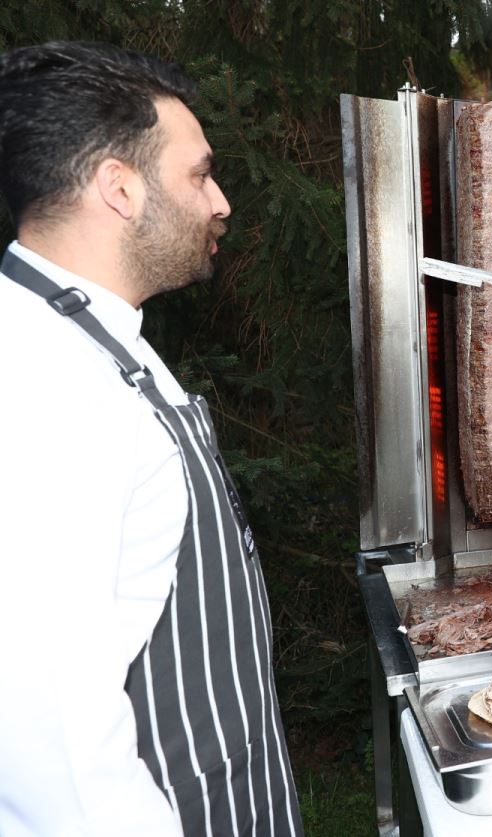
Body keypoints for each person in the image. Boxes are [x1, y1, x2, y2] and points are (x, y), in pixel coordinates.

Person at [0, 42, 303, 836]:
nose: (221, 200)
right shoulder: (46, 382)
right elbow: (55, 750)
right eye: (200, 173)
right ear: (120, 187)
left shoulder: (101, 340)